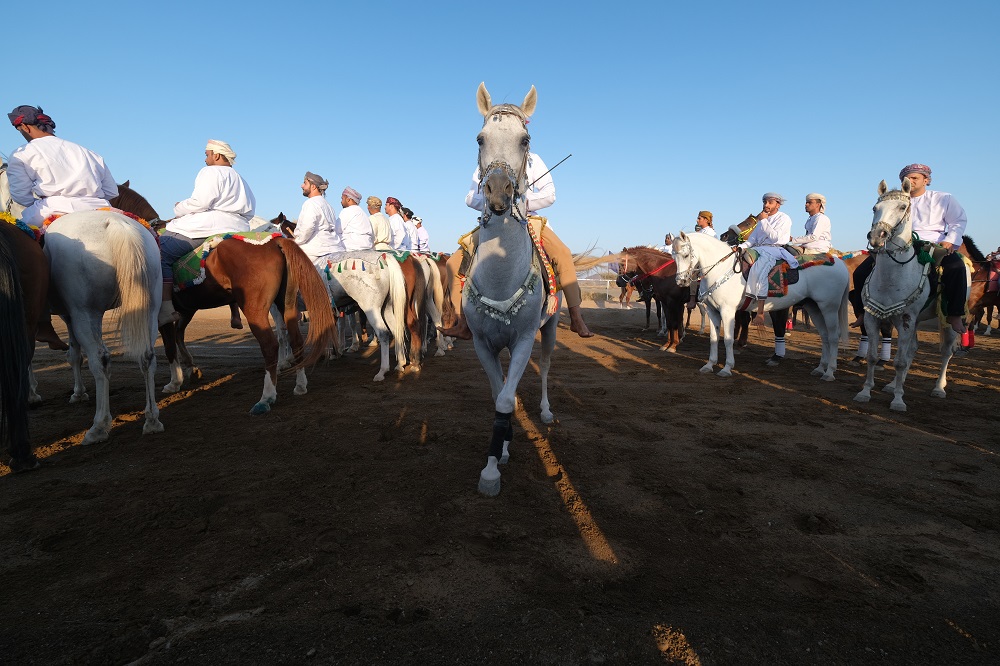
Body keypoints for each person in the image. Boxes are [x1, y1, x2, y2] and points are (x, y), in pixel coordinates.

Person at [440, 151, 593, 339]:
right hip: (493, 224)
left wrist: (522, 203)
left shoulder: (533, 159)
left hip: (528, 221)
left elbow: (550, 195)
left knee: (563, 253)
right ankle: (462, 321)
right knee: (452, 264)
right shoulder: (486, 162)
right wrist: (492, 201)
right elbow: (470, 198)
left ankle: (576, 317)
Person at [7, 105, 119, 350]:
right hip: (100, 209)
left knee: (21, 255)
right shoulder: (87, 151)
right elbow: (112, 192)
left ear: (24, 127)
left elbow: (22, 197)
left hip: (53, 210)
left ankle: (42, 320)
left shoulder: (22, 153)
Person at [849, 164, 968, 334]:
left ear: (926, 180)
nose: (910, 181)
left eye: (915, 178)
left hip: (932, 243)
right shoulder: (895, 201)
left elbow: (958, 221)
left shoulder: (943, 198)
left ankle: (955, 314)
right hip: (899, 244)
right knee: (860, 273)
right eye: (907, 179)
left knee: (956, 267)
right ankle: (862, 313)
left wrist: (950, 240)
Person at [159, 140, 255, 328]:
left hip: (207, 227)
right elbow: (250, 211)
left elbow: (200, 202)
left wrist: (179, 207)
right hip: (238, 228)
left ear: (217, 155)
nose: (205, 159)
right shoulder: (240, 178)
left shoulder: (210, 172)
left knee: (161, 252)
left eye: (207, 154)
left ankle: (166, 308)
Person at [737, 193, 799, 365]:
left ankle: (761, 311)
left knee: (758, 268)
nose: (766, 204)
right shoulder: (761, 221)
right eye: (764, 201)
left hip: (775, 249)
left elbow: (777, 239)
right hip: (759, 249)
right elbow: (752, 241)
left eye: (770, 202)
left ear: (777, 204)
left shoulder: (783, 218)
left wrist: (763, 221)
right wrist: (740, 247)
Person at [293, 171, 345, 269]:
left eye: (305, 183)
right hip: (335, 248)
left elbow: (307, 229)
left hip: (316, 250)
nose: (302, 186)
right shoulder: (328, 206)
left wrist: (296, 242)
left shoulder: (311, 203)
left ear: (313, 187)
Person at [686, 211, 716, 311]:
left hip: (707, 261)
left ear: (706, 220)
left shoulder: (710, 233)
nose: (697, 220)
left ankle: (692, 298)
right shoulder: (701, 232)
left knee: (693, 272)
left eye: (699, 218)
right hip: (699, 258)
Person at [338, 186, 374, 251]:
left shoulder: (347, 211)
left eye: (342, 199)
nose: (341, 201)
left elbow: (337, 230)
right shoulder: (363, 213)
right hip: (367, 247)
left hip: (351, 248)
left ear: (348, 199)